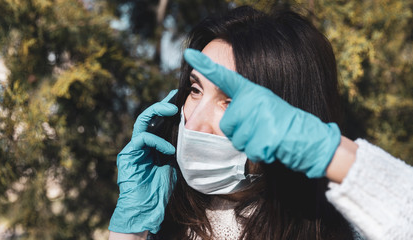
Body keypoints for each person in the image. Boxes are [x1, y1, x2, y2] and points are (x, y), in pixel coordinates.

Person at [108, 6, 413, 240]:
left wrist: (329, 152)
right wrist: (130, 231)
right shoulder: (167, 222)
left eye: (229, 100)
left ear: (288, 113)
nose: (195, 122)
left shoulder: (345, 228)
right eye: (195, 90)